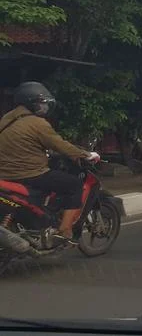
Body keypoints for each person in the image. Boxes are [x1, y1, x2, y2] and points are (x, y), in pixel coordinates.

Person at [0, 82, 100, 244]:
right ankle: (65, 230)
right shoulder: (37, 123)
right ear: (30, 103)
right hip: (30, 174)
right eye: (41, 103)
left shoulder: (7, 119)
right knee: (74, 185)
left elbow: (24, 144)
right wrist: (86, 155)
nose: (44, 107)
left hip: (5, 174)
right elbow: (60, 145)